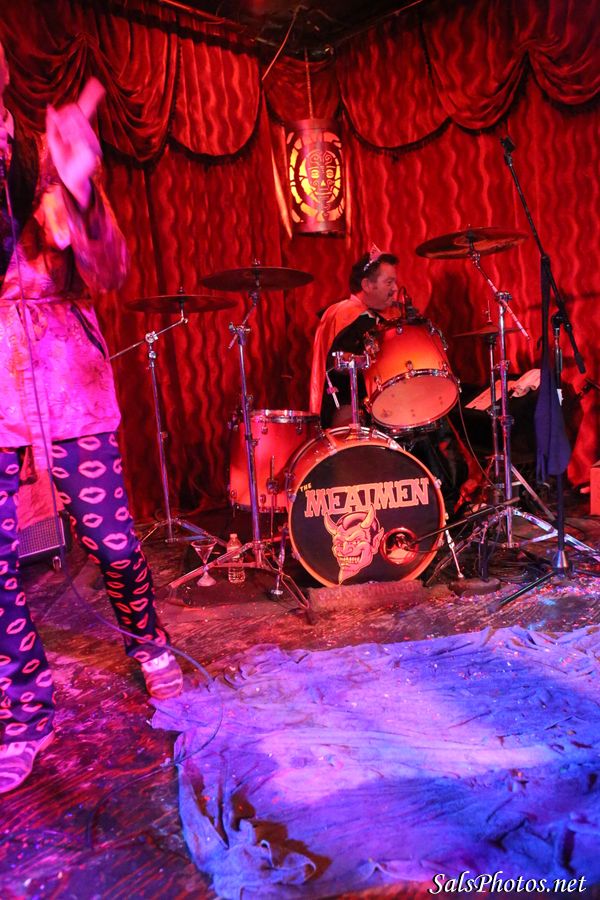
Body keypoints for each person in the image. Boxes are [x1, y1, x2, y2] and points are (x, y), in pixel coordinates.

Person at [0, 41, 183, 794]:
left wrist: (76, 194)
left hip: (67, 381)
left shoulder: (45, 157)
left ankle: (146, 638)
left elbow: (111, 270)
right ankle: (24, 704)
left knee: (112, 541)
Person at [309, 247, 469, 513]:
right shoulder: (346, 316)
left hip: (386, 404)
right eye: (389, 282)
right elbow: (342, 380)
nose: (395, 289)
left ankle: (449, 503)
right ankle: (443, 504)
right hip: (358, 414)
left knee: (436, 419)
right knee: (428, 431)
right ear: (367, 285)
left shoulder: (379, 316)